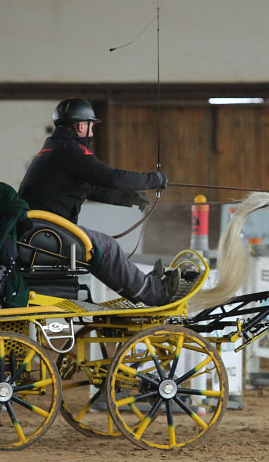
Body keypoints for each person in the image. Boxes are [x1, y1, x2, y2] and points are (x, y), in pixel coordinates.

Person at [18, 97, 177, 306]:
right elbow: (112, 178)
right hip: (47, 232)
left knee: (101, 246)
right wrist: (153, 179)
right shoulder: (71, 150)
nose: (92, 134)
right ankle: (152, 292)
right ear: (81, 126)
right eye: (91, 127)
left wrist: (127, 198)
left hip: (41, 230)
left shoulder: (56, 148)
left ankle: (145, 285)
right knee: (107, 247)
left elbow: (87, 188)